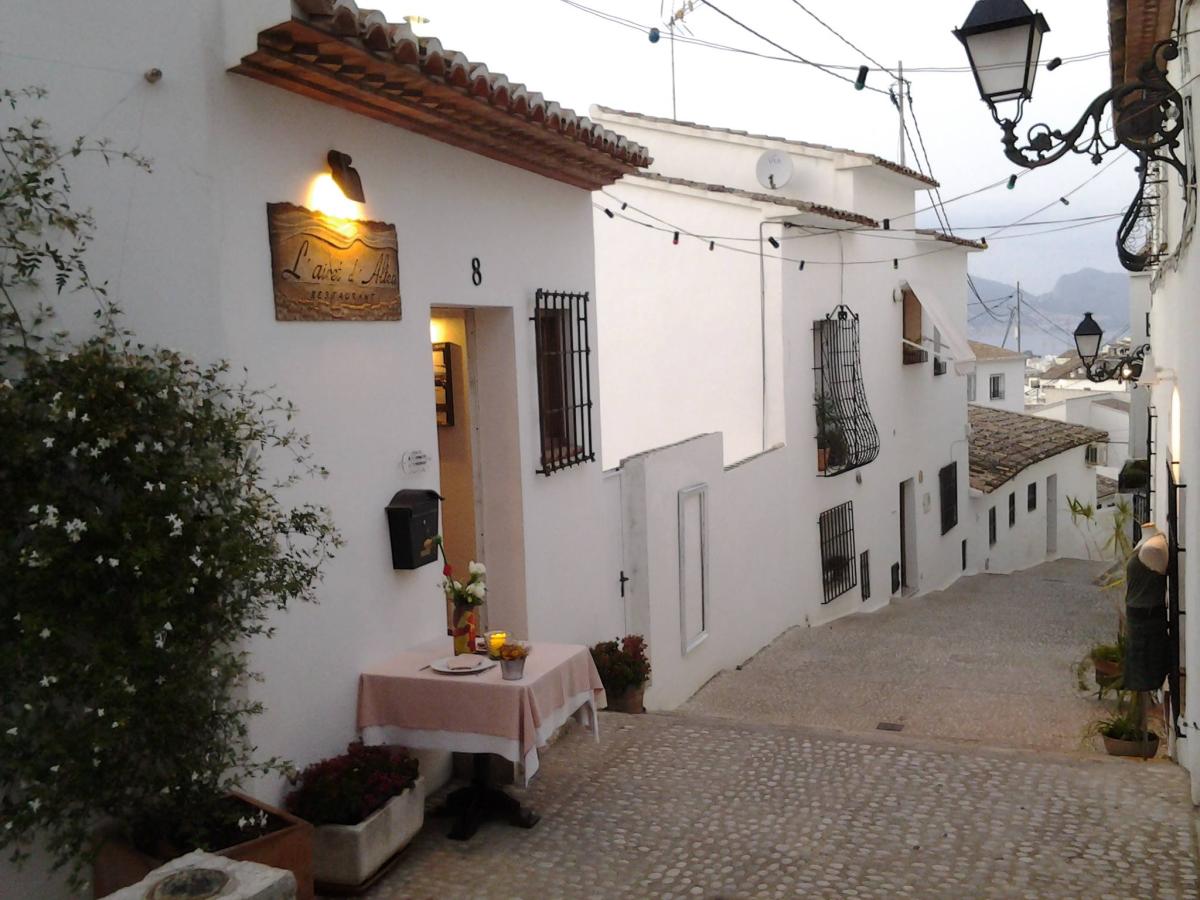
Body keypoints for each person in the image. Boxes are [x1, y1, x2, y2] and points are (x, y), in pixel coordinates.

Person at [1123, 522, 1168, 693]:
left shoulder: (1153, 548)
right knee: (1139, 672)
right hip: (1141, 620)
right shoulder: (1149, 542)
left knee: (1145, 670)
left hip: (1146, 623)